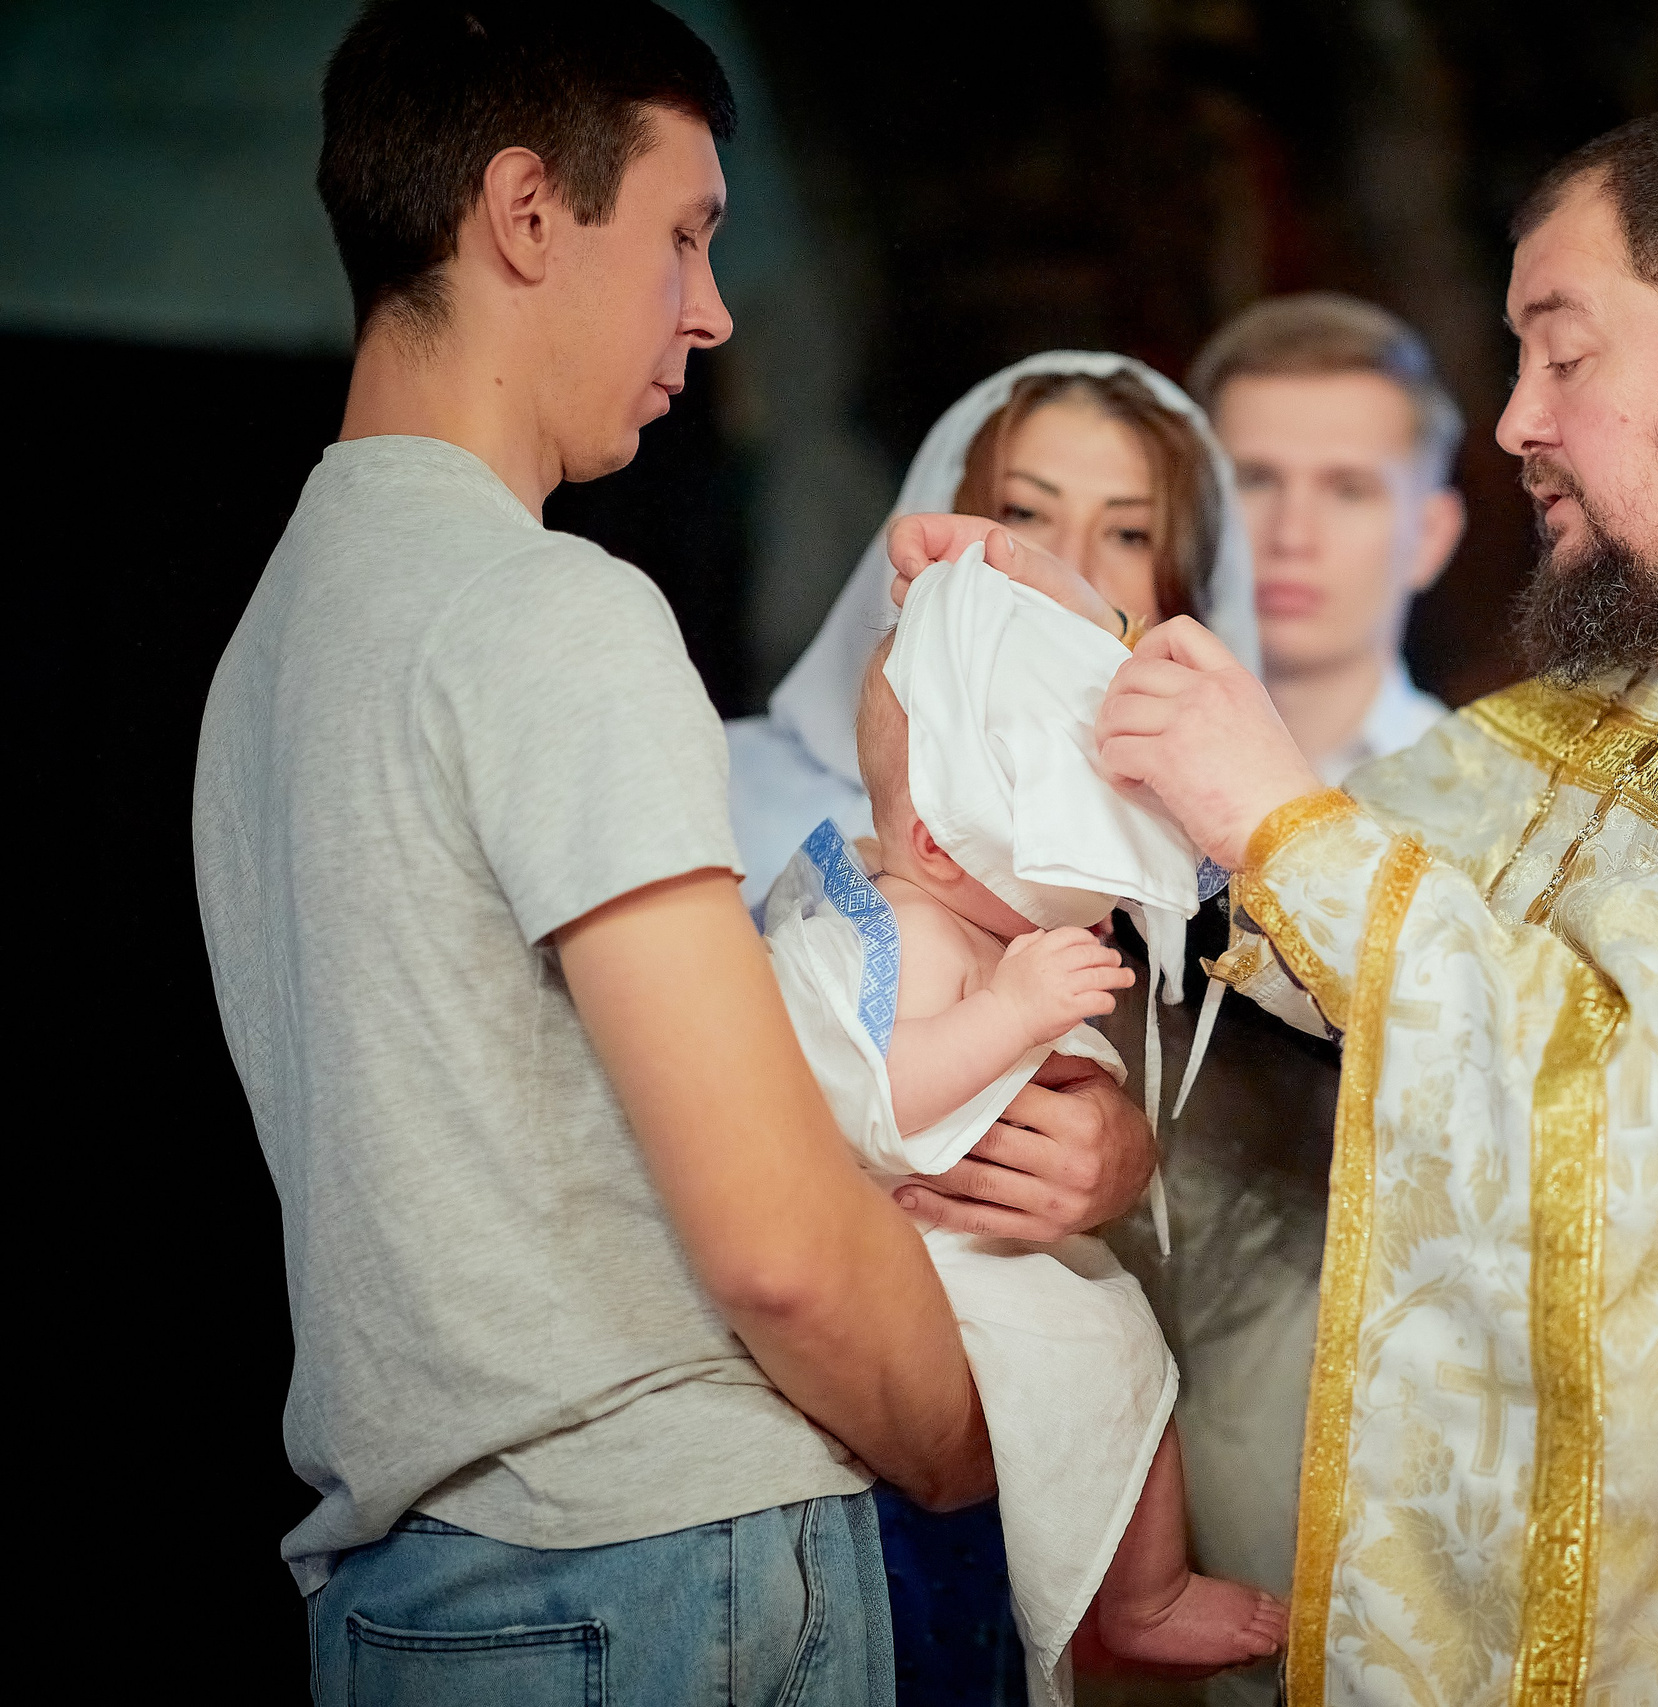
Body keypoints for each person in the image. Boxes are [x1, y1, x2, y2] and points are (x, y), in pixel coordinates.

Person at [897, 110, 1658, 1704]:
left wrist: (1277, 818)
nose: (1513, 421)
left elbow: (1652, 1127)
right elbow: (1347, 895)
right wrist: (1073, 657)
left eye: (1562, 357)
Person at [191, 5, 1151, 1699]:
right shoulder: (551, 608)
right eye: (687, 235)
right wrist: (975, 1444)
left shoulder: (270, 645)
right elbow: (775, 1234)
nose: (712, 311)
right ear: (527, 215)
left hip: (417, 1589)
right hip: (663, 1565)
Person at [762, 609, 1287, 1703]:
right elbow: (875, 1095)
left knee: (1118, 1339)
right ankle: (1136, 1599)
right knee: (1103, 1345)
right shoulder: (905, 933)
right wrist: (1006, 1014)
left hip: (966, 1244)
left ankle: (1121, 1592)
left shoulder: (950, 910)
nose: (1093, 910)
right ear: (942, 849)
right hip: (916, 1260)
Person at [727, 351, 1258, 907]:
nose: (1071, 565)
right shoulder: (729, 787)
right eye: (1025, 512)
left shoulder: (1208, 844)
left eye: (1129, 534)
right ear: (947, 517)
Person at [1189, 294, 1465, 786]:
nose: (1291, 535)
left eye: (1348, 492)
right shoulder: (1096, 776)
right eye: (1253, 480)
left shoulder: (1501, 818)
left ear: (1429, 537)